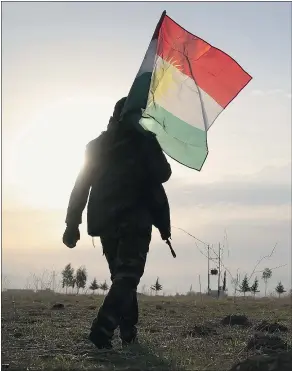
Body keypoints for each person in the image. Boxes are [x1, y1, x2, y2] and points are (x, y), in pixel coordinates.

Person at [63, 97, 172, 349]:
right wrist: (149, 140)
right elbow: (163, 173)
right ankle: (103, 327)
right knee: (127, 276)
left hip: (106, 222)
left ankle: (128, 331)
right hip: (135, 220)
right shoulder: (143, 141)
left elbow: (80, 186)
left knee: (122, 279)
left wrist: (72, 224)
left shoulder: (96, 146)